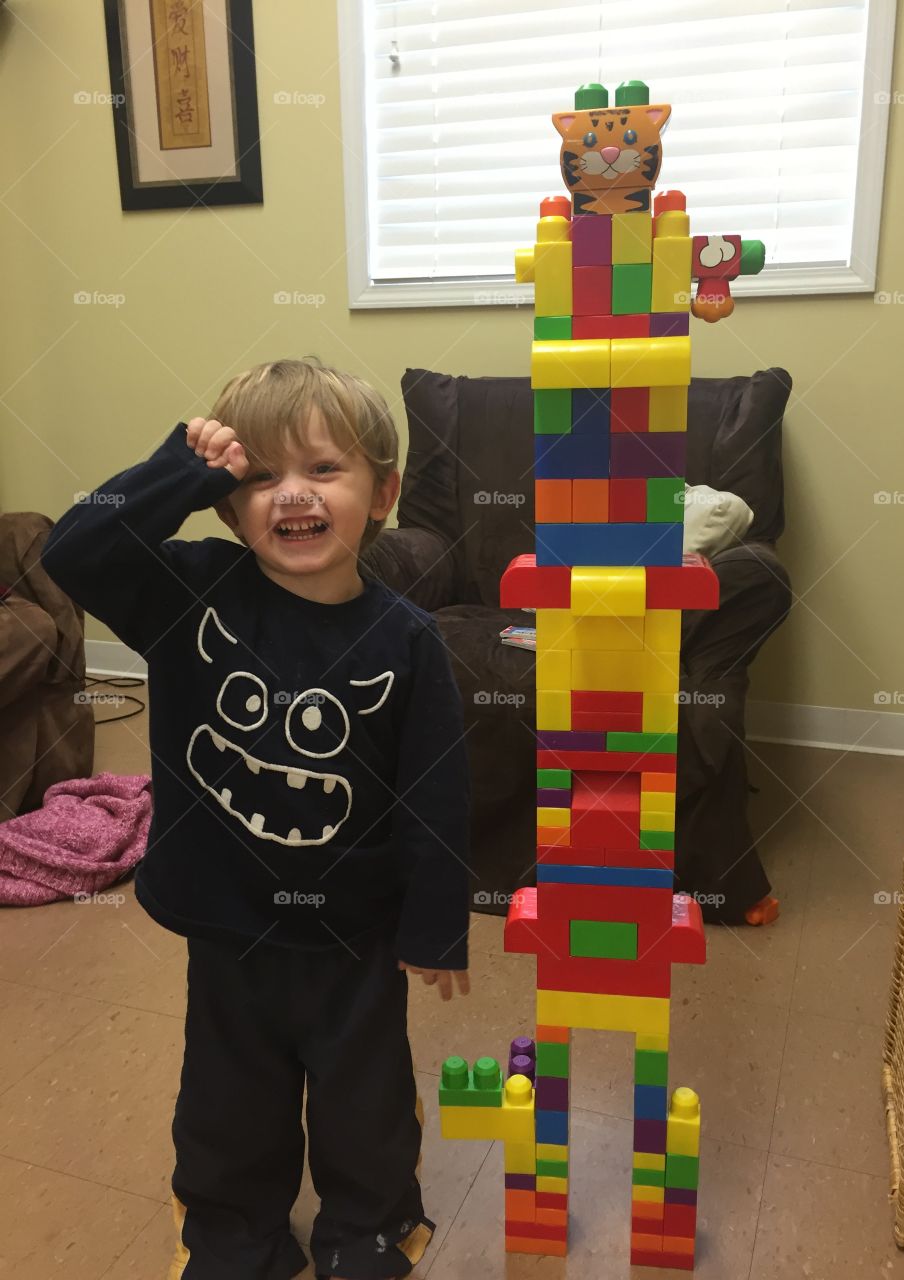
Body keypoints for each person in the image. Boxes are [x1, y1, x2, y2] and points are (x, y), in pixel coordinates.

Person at [40, 356, 472, 1280]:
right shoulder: (188, 591)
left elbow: (436, 792)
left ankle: (371, 1225)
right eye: (262, 475)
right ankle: (234, 1232)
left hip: (355, 934)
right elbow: (75, 551)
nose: (293, 494)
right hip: (226, 923)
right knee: (228, 1102)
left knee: (366, 1102)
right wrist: (184, 469)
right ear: (230, 507)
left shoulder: (409, 640)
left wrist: (436, 925)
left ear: (382, 493)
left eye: (324, 469)